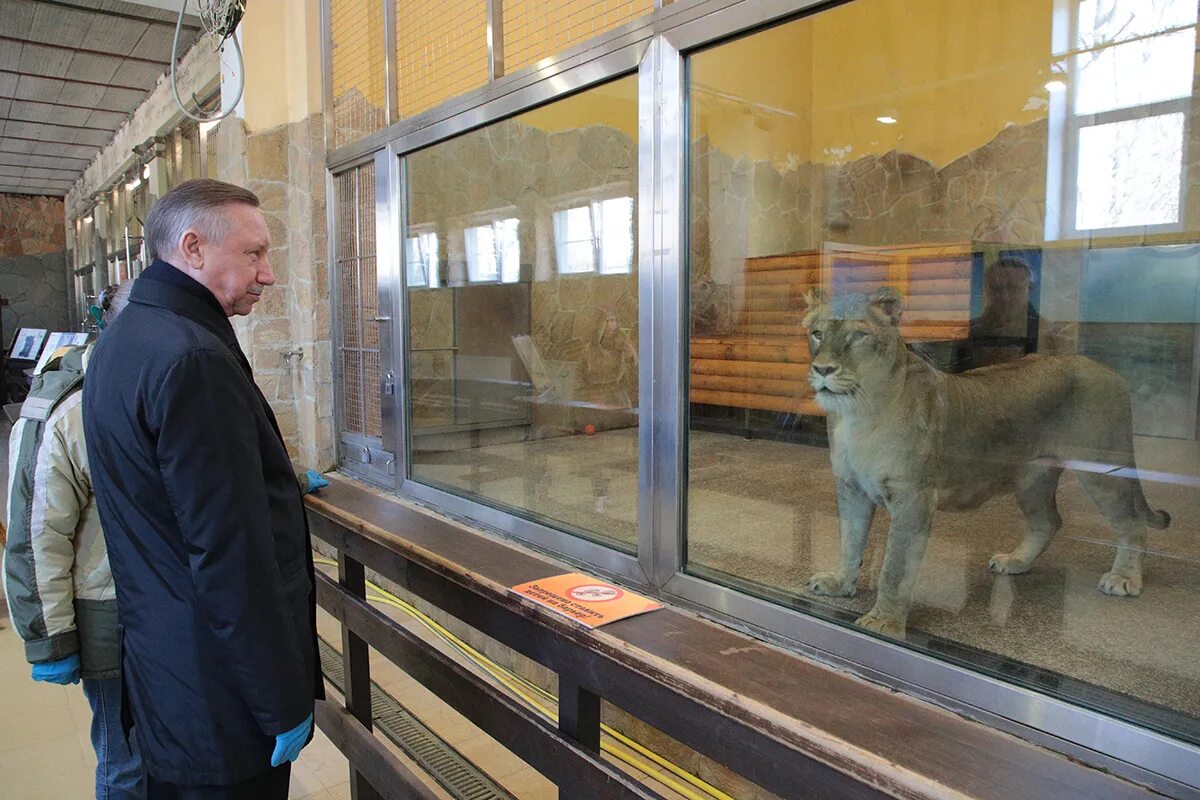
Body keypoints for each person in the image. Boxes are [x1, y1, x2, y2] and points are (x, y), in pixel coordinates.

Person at [82, 179, 323, 800]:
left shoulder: (127, 338)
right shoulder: (193, 359)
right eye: (254, 254)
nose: (268, 274)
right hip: (222, 693)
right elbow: (228, 554)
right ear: (192, 247)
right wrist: (279, 700)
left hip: (168, 670)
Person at [3, 282, 145, 800]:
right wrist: (50, 638)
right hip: (107, 615)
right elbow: (38, 532)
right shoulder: (68, 406)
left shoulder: (156, 381)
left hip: (167, 613)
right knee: (125, 758)